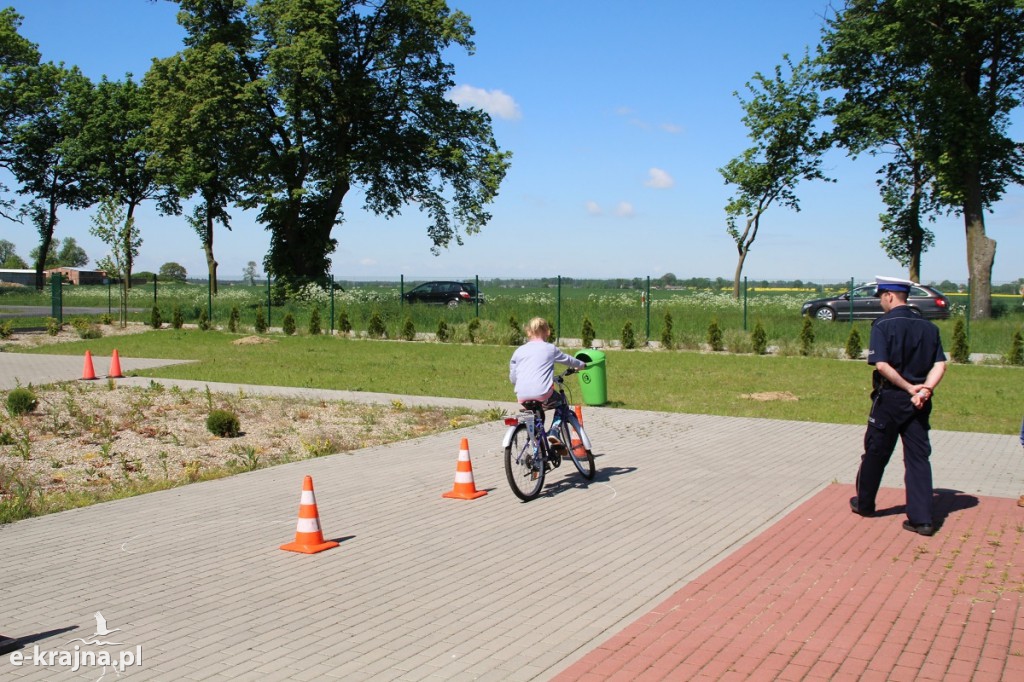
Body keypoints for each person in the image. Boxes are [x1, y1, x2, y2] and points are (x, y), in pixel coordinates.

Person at [850, 276, 947, 536]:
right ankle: (922, 519)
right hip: (920, 402)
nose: (880, 301)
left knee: (876, 453)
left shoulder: (883, 325)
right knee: (918, 458)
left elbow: (881, 364)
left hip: (892, 399)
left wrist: (907, 388)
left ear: (889, 296)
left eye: (881, 296)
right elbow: (940, 364)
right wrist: (925, 389)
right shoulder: (929, 327)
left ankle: (866, 504)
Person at [509, 317, 586, 447]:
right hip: (542, 393)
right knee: (562, 404)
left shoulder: (518, 351)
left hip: (522, 395)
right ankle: (554, 432)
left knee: (538, 418)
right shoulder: (550, 348)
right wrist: (582, 364)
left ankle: (536, 454)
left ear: (528, 332)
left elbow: (513, 378)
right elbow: (568, 360)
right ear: (548, 332)